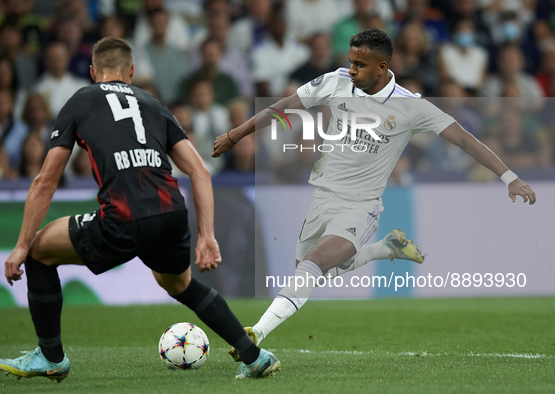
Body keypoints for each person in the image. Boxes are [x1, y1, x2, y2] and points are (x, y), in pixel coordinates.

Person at [212, 28, 536, 361]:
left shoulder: (410, 107)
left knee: (312, 265)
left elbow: (465, 139)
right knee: (307, 274)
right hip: (323, 196)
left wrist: (509, 177)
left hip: (361, 206)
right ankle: (385, 248)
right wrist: (236, 135)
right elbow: (284, 107)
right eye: (351, 62)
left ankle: (254, 334)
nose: (351, 70)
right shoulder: (336, 81)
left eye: (360, 65)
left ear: (382, 68)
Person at [0, 36, 280, 381]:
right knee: (180, 285)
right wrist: (206, 236)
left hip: (123, 217)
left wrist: (21, 244)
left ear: (92, 72)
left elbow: (45, 180)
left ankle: (51, 357)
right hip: (172, 215)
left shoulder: (82, 99)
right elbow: (200, 171)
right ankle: (254, 357)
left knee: (39, 251)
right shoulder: (153, 103)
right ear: (131, 71)